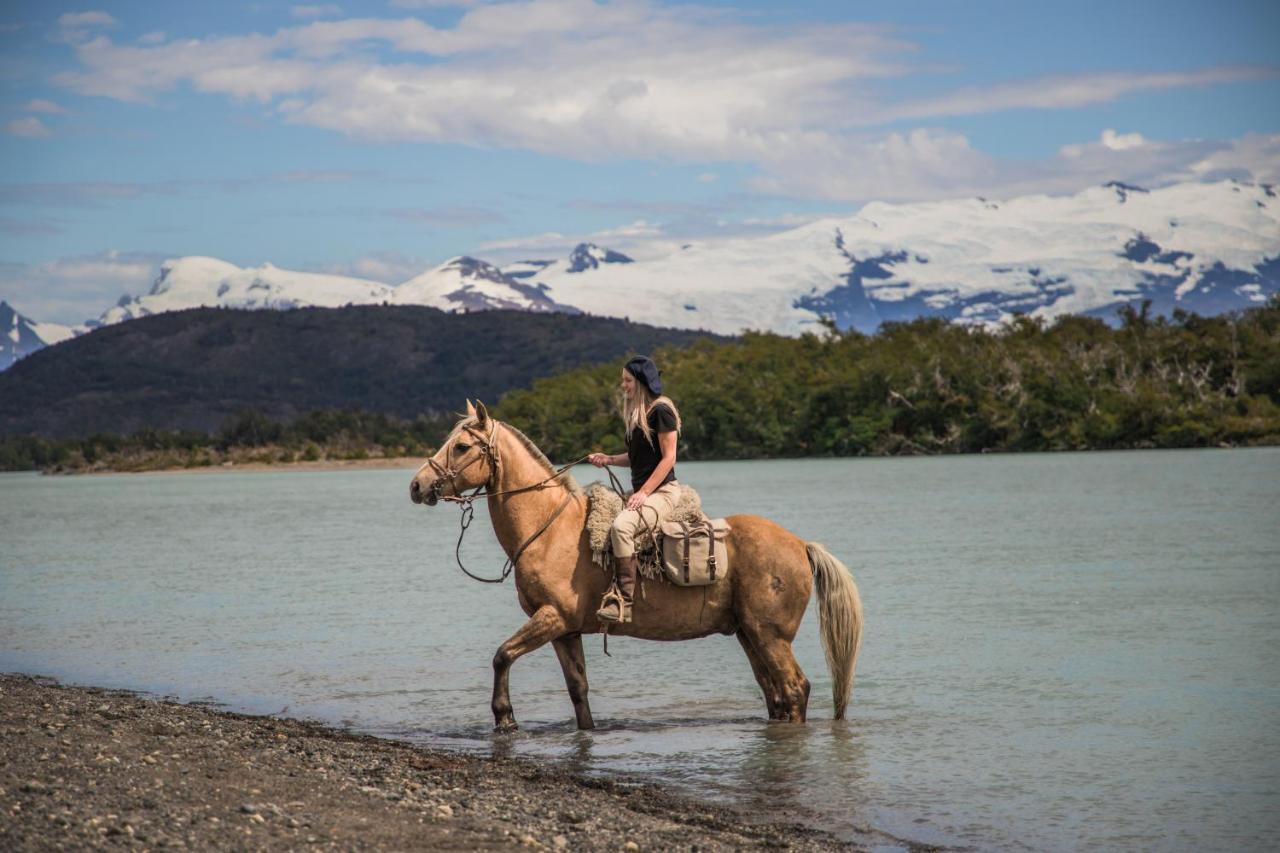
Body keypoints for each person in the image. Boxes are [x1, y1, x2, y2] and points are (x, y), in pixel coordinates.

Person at [588, 354, 683, 623]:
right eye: (623, 381)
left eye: (627, 381)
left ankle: (624, 602)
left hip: (663, 492)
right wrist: (608, 459)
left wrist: (643, 493)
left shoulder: (662, 411)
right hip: (646, 490)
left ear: (640, 382)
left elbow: (669, 458)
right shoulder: (638, 414)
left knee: (622, 527)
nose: (624, 386)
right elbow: (636, 458)